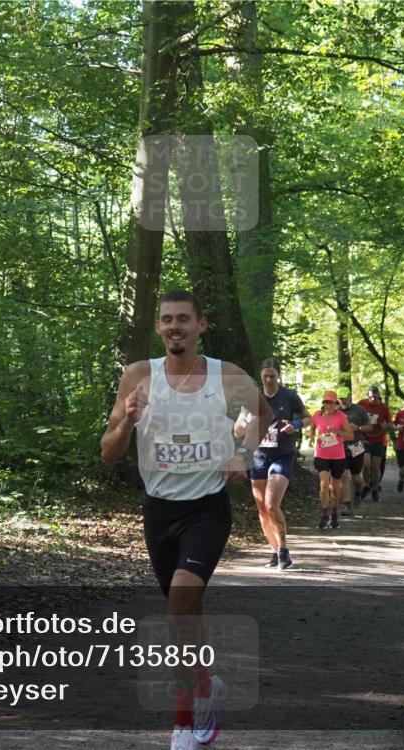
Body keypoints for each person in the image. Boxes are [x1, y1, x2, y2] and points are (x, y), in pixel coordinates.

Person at [101, 290, 270, 750]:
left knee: (179, 603)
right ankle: (205, 683)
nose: (174, 326)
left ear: (201, 325)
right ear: (158, 327)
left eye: (183, 319)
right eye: (167, 319)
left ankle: (182, 721)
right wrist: (127, 421)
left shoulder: (225, 375)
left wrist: (241, 454)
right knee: (183, 618)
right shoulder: (139, 376)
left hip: (207, 508)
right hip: (158, 511)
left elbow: (263, 414)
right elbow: (109, 452)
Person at [240, 357, 309, 571]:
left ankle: (284, 551)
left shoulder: (289, 396)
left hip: (282, 456)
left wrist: (294, 425)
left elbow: (308, 418)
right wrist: (248, 422)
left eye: (273, 376)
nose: (269, 380)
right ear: (260, 376)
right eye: (265, 376)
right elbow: (238, 430)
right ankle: (274, 550)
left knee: (271, 504)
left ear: (278, 376)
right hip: (258, 457)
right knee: (262, 509)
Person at [308, 390, 354, 529]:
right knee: (324, 484)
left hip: (337, 456)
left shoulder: (342, 417)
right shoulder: (317, 415)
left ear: (336, 403)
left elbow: (350, 436)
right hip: (321, 454)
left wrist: (338, 432)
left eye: (331, 402)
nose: (328, 405)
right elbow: (312, 427)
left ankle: (334, 513)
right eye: (326, 402)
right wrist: (311, 437)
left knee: (335, 487)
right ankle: (324, 515)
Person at [337, 388, 370, 514]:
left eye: (344, 397)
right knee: (344, 475)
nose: (342, 400)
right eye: (340, 398)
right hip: (340, 447)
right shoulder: (335, 411)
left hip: (356, 445)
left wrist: (358, 428)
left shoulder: (360, 410)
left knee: (356, 477)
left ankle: (358, 492)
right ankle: (347, 505)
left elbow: (370, 427)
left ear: (350, 396)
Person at [358, 385, 393, 502]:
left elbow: (390, 425)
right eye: (370, 397)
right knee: (366, 465)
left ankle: (375, 488)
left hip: (378, 440)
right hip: (364, 439)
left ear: (378, 396)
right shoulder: (362, 404)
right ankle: (366, 485)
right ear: (367, 396)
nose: (372, 399)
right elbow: (354, 417)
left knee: (376, 467)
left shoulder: (384, 407)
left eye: (375, 397)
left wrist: (386, 426)